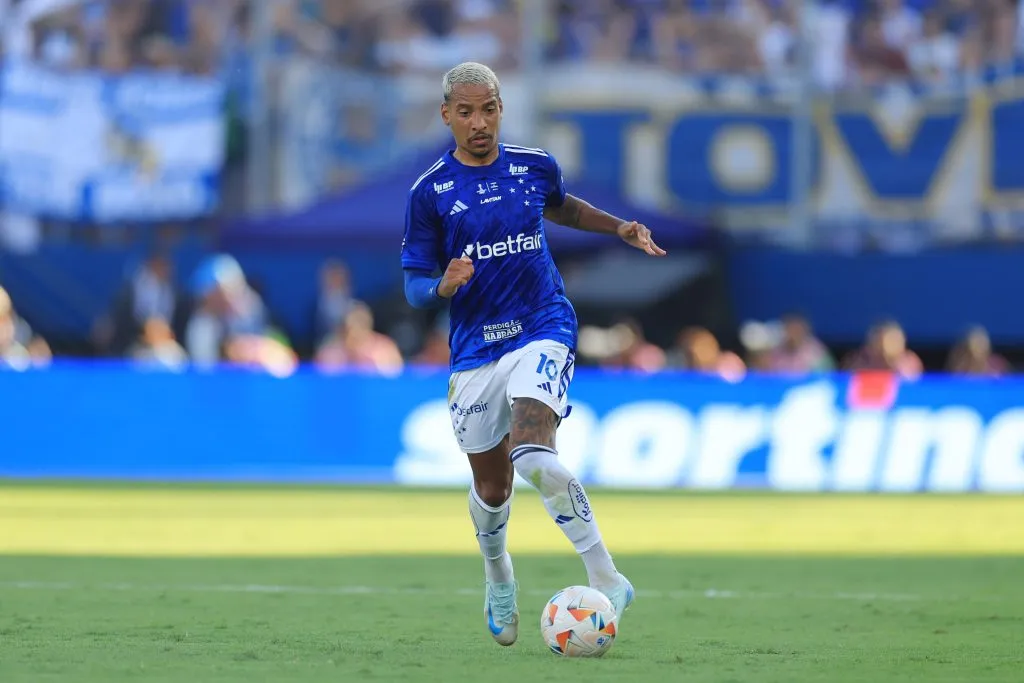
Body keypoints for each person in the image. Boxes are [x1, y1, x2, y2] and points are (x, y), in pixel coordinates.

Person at [400, 62, 666, 647]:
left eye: (489, 109)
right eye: (466, 112)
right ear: (446, 115)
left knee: (533, 454)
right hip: (474, 352)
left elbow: (562, 206)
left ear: (501, 109)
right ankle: (499, 576)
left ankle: (608, 577)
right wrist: (442, 287)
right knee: (492, 490)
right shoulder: (430, 193)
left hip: (542, 325)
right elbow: (414, 283)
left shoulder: (532, 166)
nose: (479, 122)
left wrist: (617, 227)